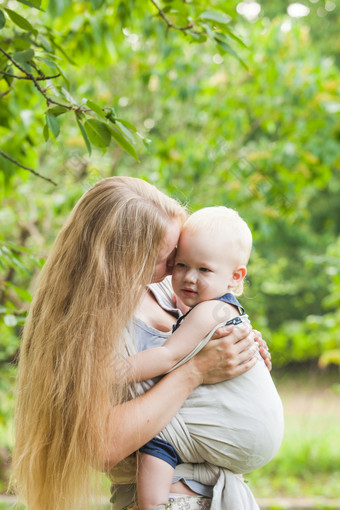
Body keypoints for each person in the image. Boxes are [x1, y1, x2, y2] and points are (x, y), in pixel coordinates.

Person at [11, 177, 267, 510]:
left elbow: (203, 332)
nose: (178, 267)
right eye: (169, 258)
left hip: (224, 494)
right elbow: (101, 447)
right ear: (125, 258)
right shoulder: (83, 326)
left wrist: (239, 339)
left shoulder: (166, 290)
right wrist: (195, 370)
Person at [123, 206, 283, 510]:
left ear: (235, 277)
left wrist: (115, 371)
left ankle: (153, 503)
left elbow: (168, 356)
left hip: (244, 430)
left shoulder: (208, 311)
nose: (188, 278)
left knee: (156, 436)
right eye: (181, 265)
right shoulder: (219, 310)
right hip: (255, 435)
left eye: (204, 270)